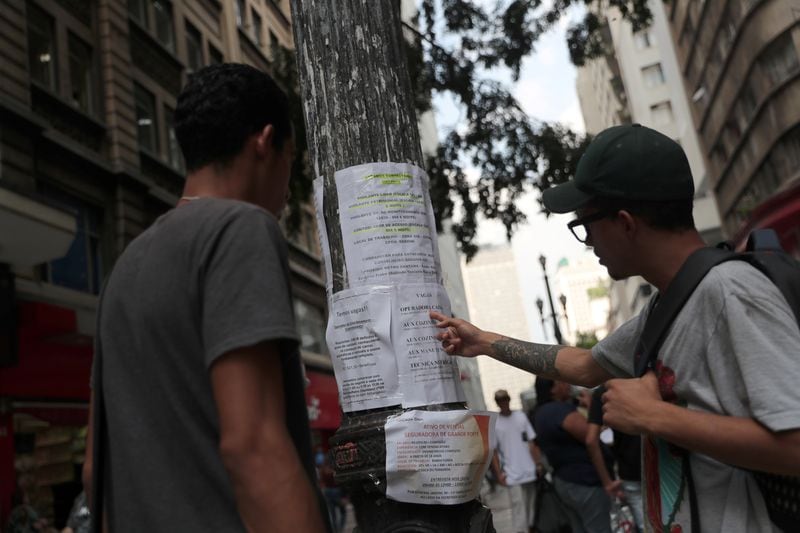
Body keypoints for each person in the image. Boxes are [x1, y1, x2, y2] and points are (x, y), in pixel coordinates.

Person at [431, 123, 800, 532]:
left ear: (625, 223)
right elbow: (585, 366)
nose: (588, 241)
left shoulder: (731, 292)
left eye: (586, 225)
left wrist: (654, 417)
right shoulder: (666, 304)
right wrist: (484, 341)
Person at [82, 63, 328, 532]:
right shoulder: (241, 229)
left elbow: (96, 469)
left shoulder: (124, 268)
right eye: (289, 160)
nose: (284, 186)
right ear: (264, 142)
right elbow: (253, 448)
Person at [532, 379, 611, 533]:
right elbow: (590, 437)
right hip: (584, 480)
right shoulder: (559, 410)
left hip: (565, 480)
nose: (567, 384)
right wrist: (592, 406)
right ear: (552, 389)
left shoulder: (541, 412)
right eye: (562, 382)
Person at [586, 387, 643, 532]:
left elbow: (591, 440)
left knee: (645, 526)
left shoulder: (604, 391)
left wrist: (608, 483)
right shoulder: (647, 377)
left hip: (630, 471)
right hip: (663, 466)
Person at [490, 389, 542, 533]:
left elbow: (532, 442)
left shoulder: (521, 417)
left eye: (505, 399)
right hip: (511, 473)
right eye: (500, 400)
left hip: (529, 469)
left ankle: (531, 529)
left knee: (531, 506)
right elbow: (493, 451)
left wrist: (537, 463)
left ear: (509, 399)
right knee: (518, 506)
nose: (503, 402)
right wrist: (499, 473)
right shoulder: (495, 423)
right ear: (497, 403)